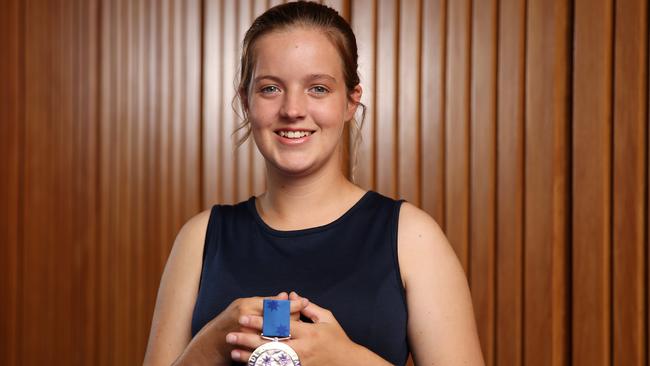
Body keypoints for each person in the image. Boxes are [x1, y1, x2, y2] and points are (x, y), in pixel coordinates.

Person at [143, 2, 485, 365]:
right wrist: (213, 341)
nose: (292, 109)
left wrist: (347, 358)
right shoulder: (200, 238)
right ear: (246, 102)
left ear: (351, 101)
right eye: (271, 88)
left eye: (318, 88)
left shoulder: (412, 238)